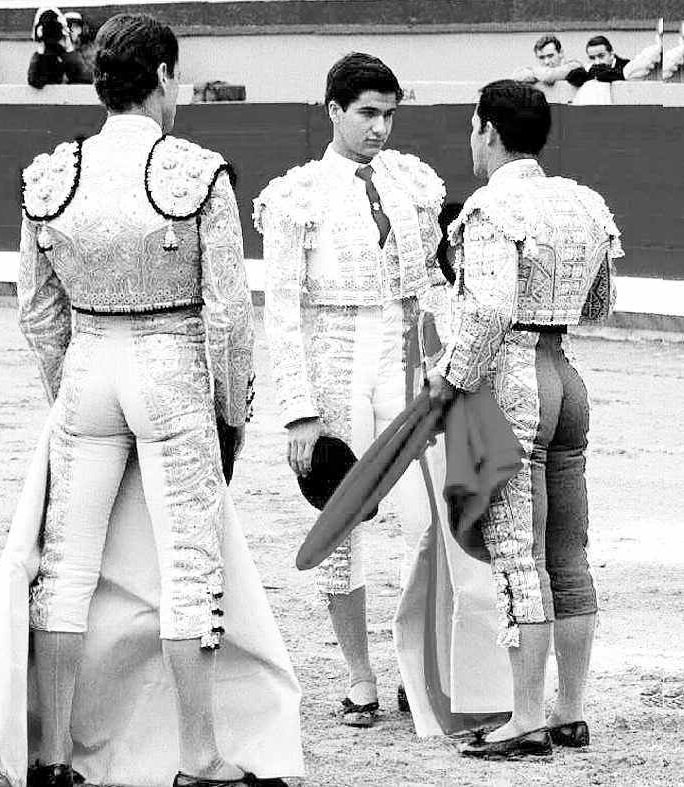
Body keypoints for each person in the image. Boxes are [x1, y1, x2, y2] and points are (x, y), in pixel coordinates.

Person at [16, 13, 294, 787]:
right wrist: (228, 413)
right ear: (165, 77)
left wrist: (67, 390)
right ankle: (200, 757)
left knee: (65, 569)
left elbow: (36, 311)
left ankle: (53, 758)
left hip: (87, 368)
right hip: (171, 372)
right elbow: (230, 316)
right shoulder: (196, 172)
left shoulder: (51, 175)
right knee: (187, 567)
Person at [254, 52, 510, 734]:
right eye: (367, 113)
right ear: (332, 110)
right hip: (331, 358)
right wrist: (298, 413)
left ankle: (410, 665)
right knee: (344, 526)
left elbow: (434, 282)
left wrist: (449, 360)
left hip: (403, 356)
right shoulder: (295, 194)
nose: (379, 128)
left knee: (425, 521)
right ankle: (359, 678)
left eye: (388, 114)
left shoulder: (414, 183)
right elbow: (281, 309)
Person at [428, 79, 622, 758]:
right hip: (566, 375)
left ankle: (524, 718)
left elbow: (485, 310)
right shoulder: (583, 203)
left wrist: (447, 381)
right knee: (568, 551)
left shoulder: (489, 207)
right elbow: (599, 302)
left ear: (485, 129)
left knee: (520, 558)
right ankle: (568, 710)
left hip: (513, 384)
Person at [27, 6, 92, 87]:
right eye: (69, 26)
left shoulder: (85, 53)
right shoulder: (45, 55)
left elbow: (84, 80)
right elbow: (35, 80)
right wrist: (41, 50)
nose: (72, 31)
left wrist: (68, 49)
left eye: (76, 26)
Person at [511, 34, 581, 86]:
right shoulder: (538, 73)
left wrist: (533, 72)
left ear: (561, 53)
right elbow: (515, 76)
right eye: (541, 57)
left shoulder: (574, 66)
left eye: (550, 56)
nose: (546, 62)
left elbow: (549, 76)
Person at [64, 10, 96, 77]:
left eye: (74, 27)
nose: (69, 31)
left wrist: (71, 51)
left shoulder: (89, 50)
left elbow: (88, 75)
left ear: (80, 29)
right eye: (66, 27)